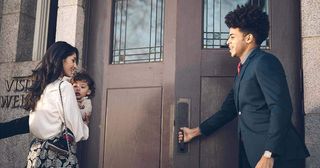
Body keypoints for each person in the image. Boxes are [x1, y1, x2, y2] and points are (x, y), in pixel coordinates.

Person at [178, 4, 309, 168]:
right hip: (253, 154)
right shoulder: (243, 70)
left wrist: (270, 153)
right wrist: (196, 132)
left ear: (248, 38)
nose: (228, 42)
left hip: (277, 157)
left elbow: (281, 108)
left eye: (232, 37)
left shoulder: (264, 62)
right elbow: (228, 111)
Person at [24, 41, 89, 167]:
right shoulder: (64, 87)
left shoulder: (42, 87)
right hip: (55, 157)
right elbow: (77, 131)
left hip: (36, 155)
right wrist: (85, 126)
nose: (75, 66)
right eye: (73, 60)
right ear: (61, 59)